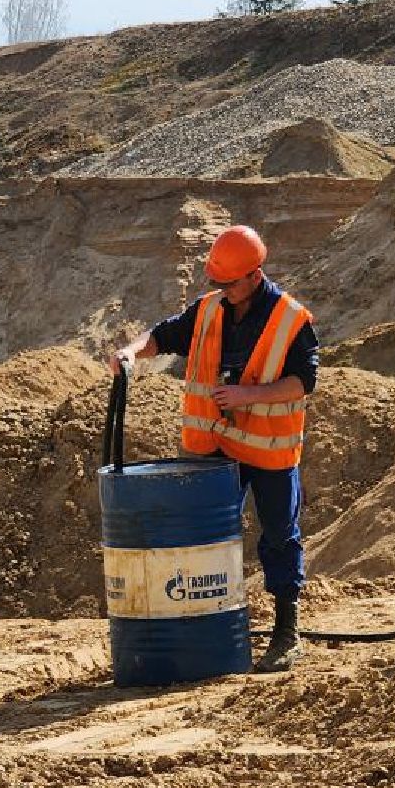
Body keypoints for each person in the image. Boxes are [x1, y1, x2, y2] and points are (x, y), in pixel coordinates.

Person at [108, 225, 318, 673]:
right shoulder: (209, 310)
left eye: (230, 284)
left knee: (279, 536)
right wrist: (130, 352)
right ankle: (208, 624)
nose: (222, 291)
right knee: (205, 540)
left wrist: (248, 396)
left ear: (255, 276)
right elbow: (163, 335)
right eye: (218, 283)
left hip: (270, 451)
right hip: (217, 450)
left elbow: (303, 381)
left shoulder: (290, 319)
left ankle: (286, 632)